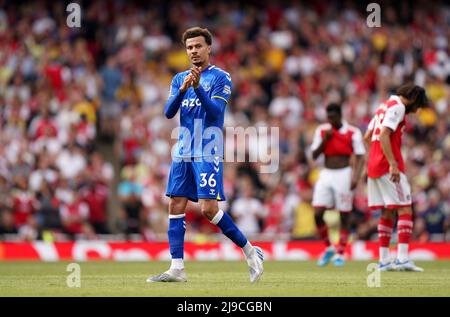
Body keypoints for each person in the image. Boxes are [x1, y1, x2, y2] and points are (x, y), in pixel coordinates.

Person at [147, 27, 264, 283]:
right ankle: (176, 268)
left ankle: (250, 251)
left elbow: (214, 113)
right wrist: (182, 89)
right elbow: (168, 113)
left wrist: (198, 88)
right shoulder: (179, 79)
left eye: (198, 46)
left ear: (208, 48)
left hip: (207, 147)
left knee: (209, 209)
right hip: (184, 147)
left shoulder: (222, 77)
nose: (194, 51)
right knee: (175, 203)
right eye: (189, 47)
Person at [364, 84, 428, 272]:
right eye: (418, 105)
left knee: (387, 211)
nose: (416, 111)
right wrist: (391, 162)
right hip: (388, 166)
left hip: (375, 165)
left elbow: (368, 136)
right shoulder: (398, 107)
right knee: (405, 207)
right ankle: (402, 258)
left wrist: (376, 156)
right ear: (413, 97)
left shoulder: (383, 106)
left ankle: (384, 260)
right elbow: (384, 134)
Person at [310, 103, 366, 267]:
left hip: (344, 173)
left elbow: (361, 156)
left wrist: (356, 177)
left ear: (340, 115)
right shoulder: (322, 131)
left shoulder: (352, 132)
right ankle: (329, 248)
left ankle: (340, 253)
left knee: (344, 214)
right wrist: (325, 141)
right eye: (329, 117)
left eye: (333, 117)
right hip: (327, 173)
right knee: (318, 213)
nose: (331, 120)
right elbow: (314, 155)